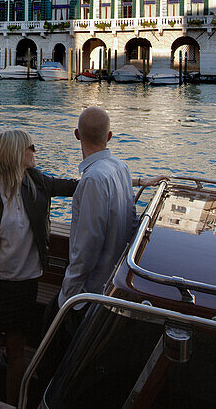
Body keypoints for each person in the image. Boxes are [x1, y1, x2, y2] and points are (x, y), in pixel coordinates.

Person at [0, 130, 77, 405]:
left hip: (24, 285)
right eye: (31, 147)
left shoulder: (37, 182)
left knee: (17, 354)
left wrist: (133, 180)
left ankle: (15, 404)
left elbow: (78, 186)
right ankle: (3, 338)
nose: (35, 152)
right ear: (15, 152)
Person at [58, 106, 152, 311]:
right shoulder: (121, 167)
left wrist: (68, 295)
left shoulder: (93, 179)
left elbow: (87, 246)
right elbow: (132, 221)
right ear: (109, 136)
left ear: (76, 135)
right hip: (113, 282)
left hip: (89, 294)